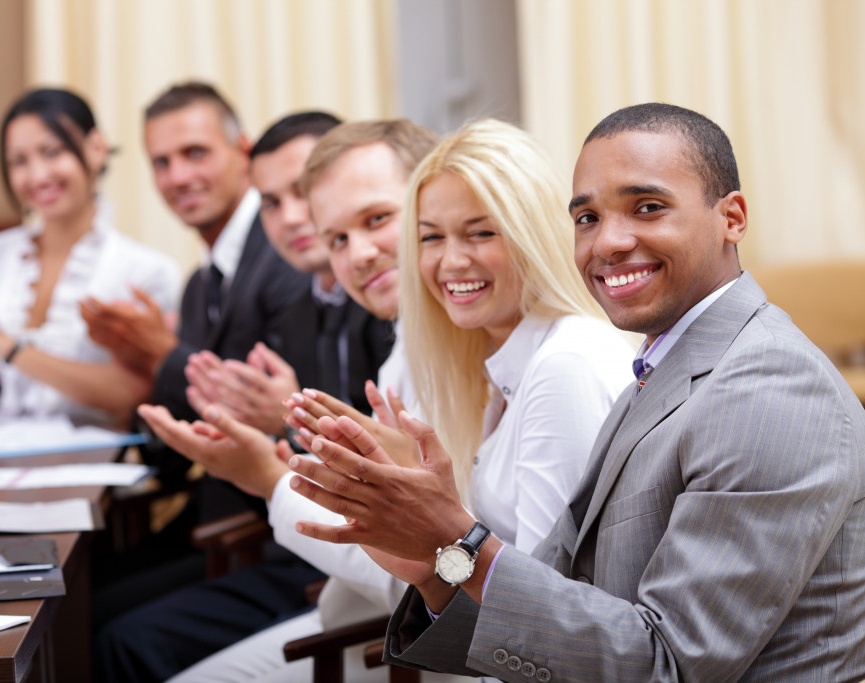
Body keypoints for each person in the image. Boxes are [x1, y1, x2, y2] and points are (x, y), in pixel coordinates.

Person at [289, 103, 865, 681]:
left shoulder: (768, 389)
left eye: (647, 207)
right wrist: (436, 569)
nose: (609, 241)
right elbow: (568, 604)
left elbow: (670, 665)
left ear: (732, 217)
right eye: (587, 218)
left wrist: (455, 539)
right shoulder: (661, 363)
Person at [160, 119, 637, 682]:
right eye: (432, 237)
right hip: (423, 635)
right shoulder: (483, 359)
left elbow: (542, 617)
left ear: (530, 229)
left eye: (480, 232)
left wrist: (271, 476)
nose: (450, 261)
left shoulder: (563, 365)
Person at [142, 119, 441, 682]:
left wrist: (275, 462)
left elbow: (451, 565)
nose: (358, 252)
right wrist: (280, 444)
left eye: (376, 219)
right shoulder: (349, 317)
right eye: (272, 202)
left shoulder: (394, 313)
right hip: (349, 583)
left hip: (404, 620)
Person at [0, 87, 180, 429]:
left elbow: (132, 395)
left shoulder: (146, 271)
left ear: (97, 148)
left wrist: (8, 349)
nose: (37, 176)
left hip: (99, 471)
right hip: (2, 466)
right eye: (19, 161)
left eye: (52, 152)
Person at [183, 111, 394, 438]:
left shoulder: (389, 291)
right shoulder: (298, 312)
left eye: (303, 191)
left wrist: (291, 422)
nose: (291, 218)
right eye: (271, 203)